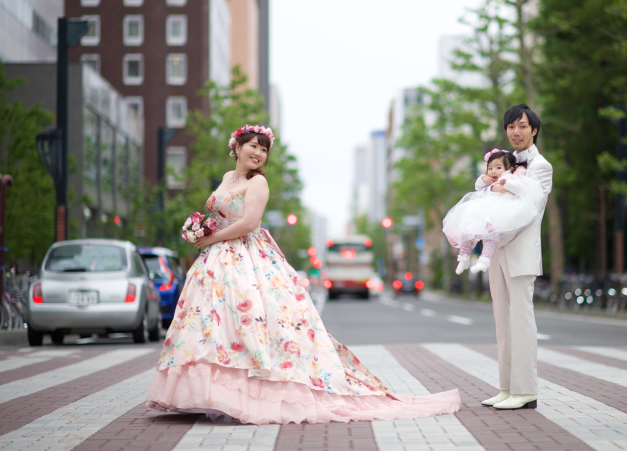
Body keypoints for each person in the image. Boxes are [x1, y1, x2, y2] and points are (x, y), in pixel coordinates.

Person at [146, 125, 461, 424]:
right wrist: (206, 227)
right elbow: (222, 214)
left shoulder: (258, 182)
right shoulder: (228, 176)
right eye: (253, 146)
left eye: (264, 148)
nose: (258, 152)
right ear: (237, 148)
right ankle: (209, 391)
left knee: (250, 316)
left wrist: (211, 237)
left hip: (247, 256)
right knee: (214, 322)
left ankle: (249, 391)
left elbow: (249, 223)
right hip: (217, 261)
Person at [481, 104, 552, 411]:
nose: (516, 132)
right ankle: (507, 387)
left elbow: (527, 212)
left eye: (522, 126)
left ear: (534, 130)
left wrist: (495, 234)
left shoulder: (540, 167)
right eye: (511, 127)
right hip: (498, 252)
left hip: (520, 252)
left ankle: (526, 391)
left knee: (521, 322)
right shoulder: (504, 164)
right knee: (502, 323)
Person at [442, 149, 545, 275]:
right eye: (490, 168)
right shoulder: (489, 180)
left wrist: (506, 183)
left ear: (509, 168)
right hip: (482, 210)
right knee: (467, 230)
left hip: (498, 211)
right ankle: (463, 257)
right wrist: (483, 180)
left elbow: (519, 189)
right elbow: (477, 186)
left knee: (490, 236)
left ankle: (484, 260)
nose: (493, 171)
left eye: (498, 167)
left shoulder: (510, 177)